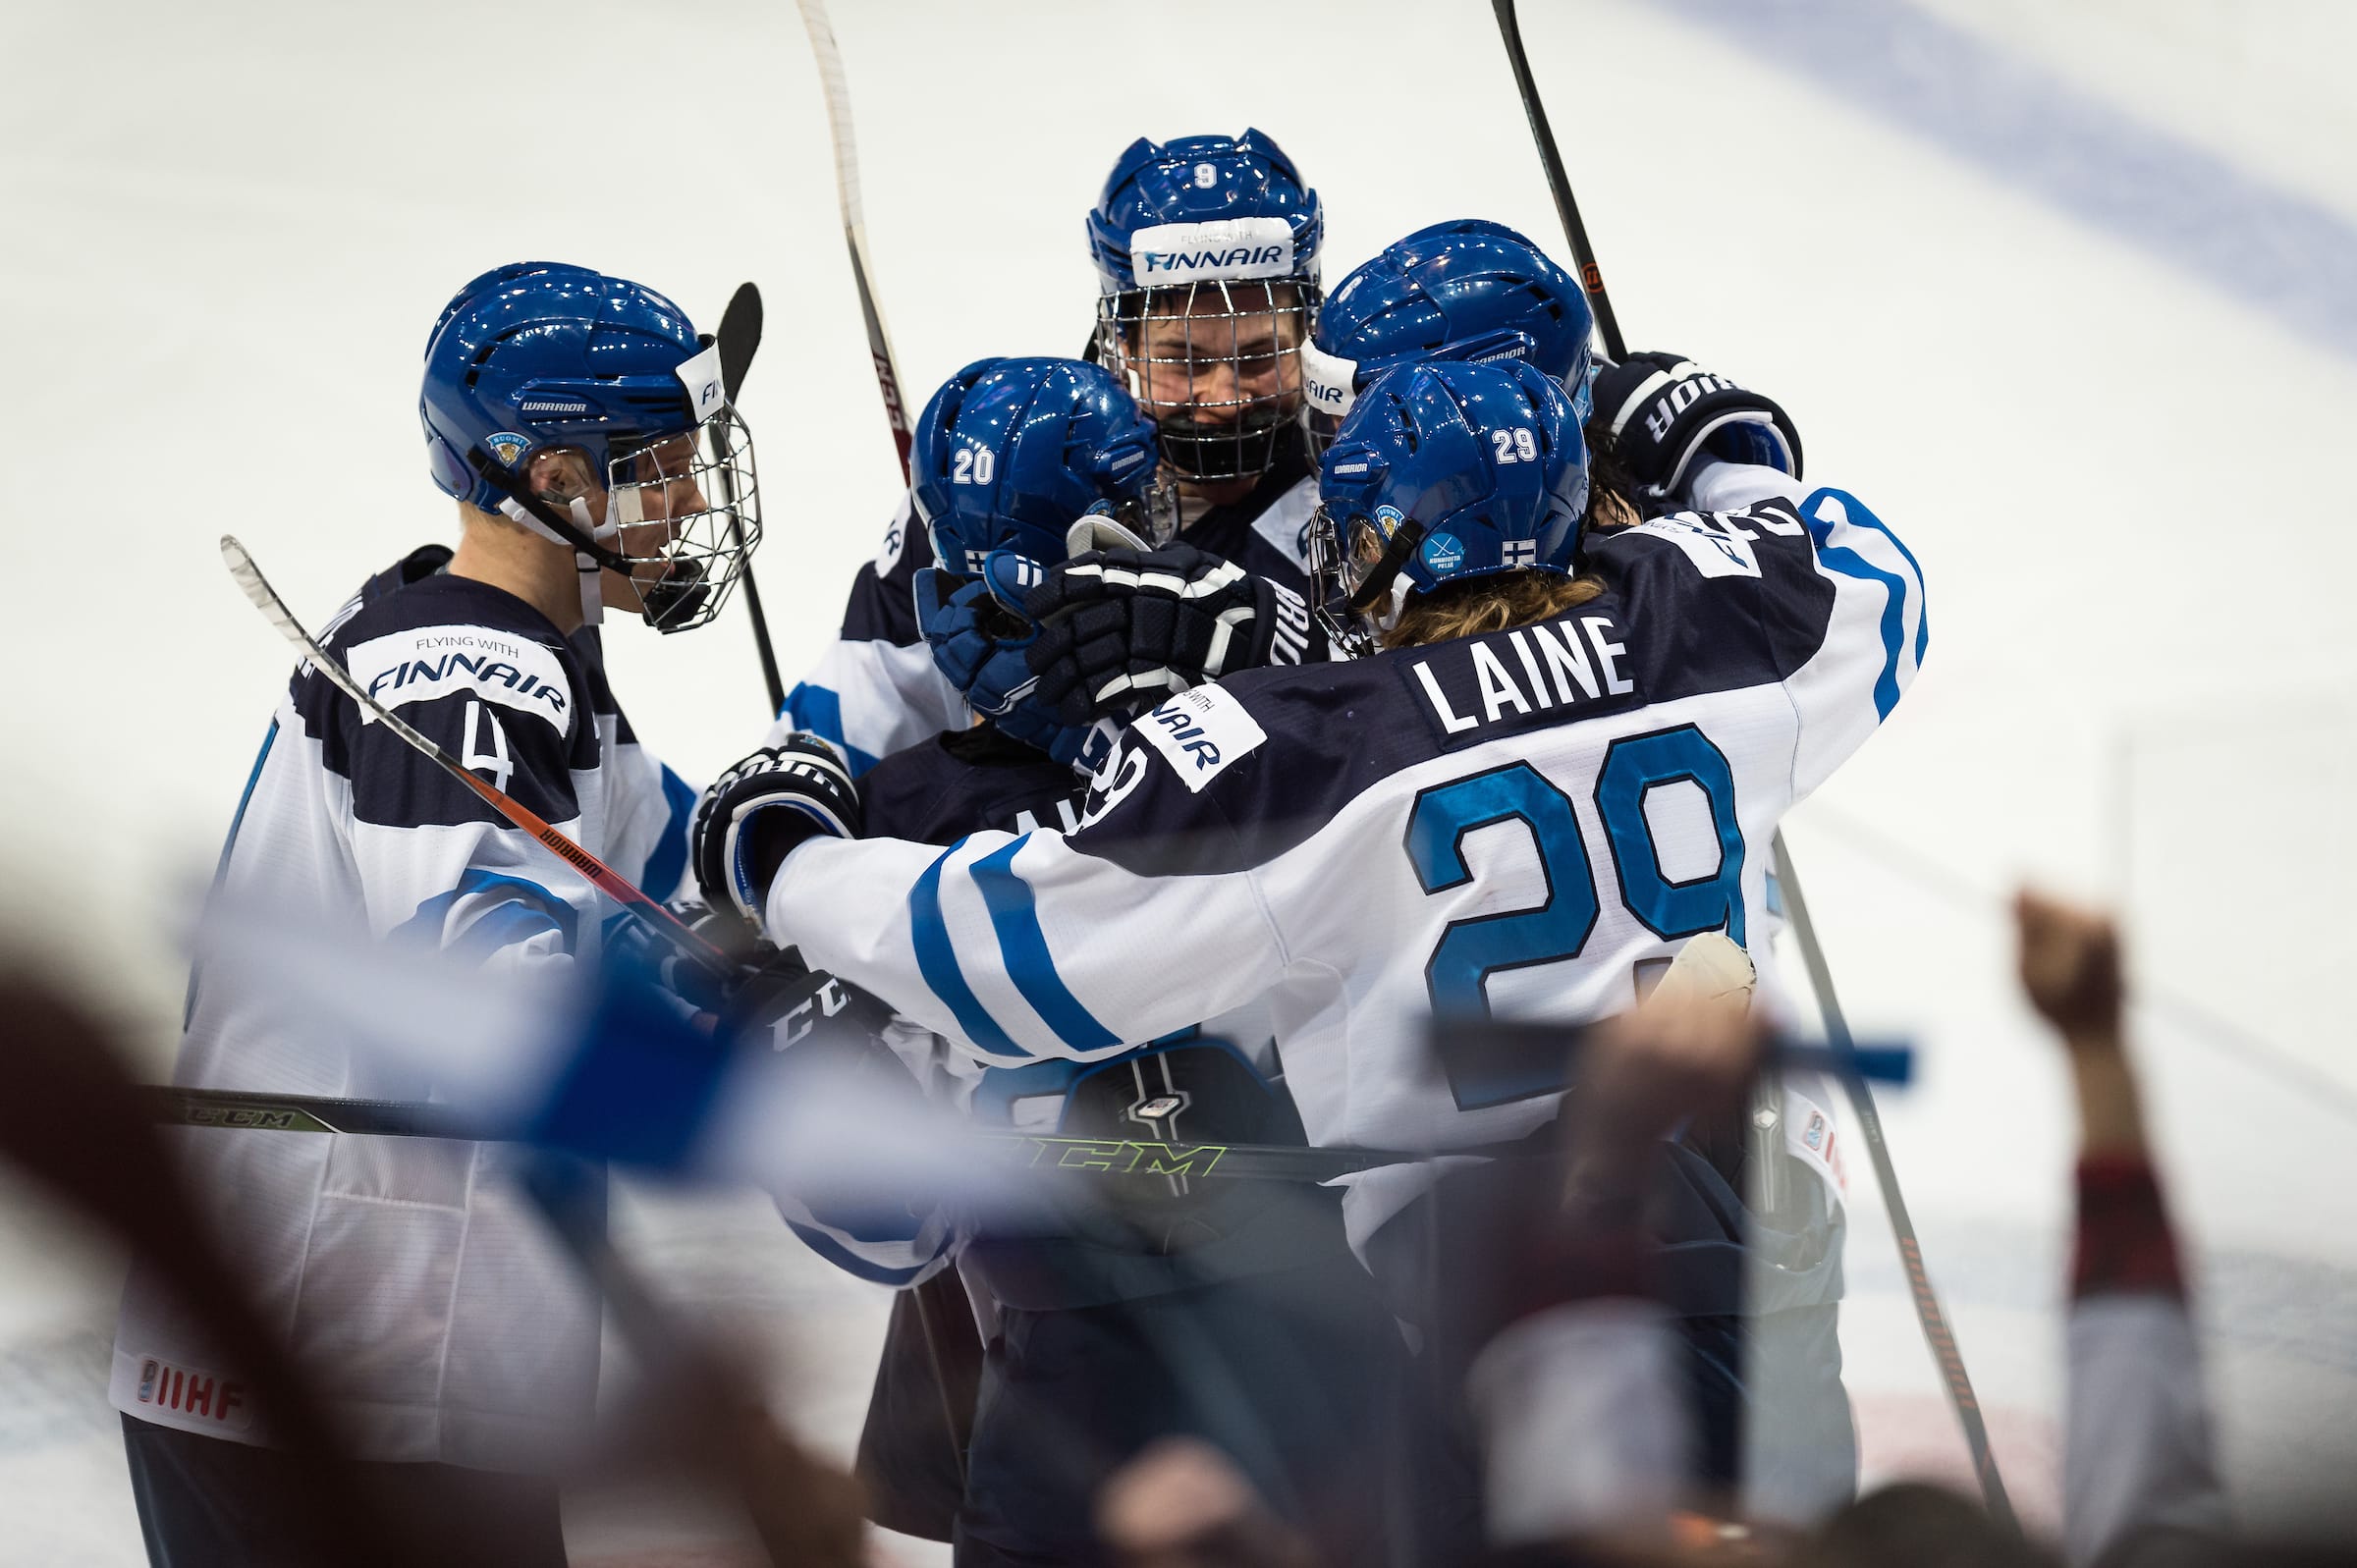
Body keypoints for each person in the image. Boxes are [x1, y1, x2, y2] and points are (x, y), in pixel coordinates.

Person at [110, 260, 758, 1566]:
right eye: (660, 466)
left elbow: (711, 875)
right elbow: (482, 977)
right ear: (552, 481)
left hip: (378, 1368)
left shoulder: (528, 663)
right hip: (337, 1373)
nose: (692, 500)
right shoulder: (463, 668)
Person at [745, 355, 1406, 1568]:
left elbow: (889, 1222)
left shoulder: (900, 825)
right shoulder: (1265, 738)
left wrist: (788, 885)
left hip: (1160, 1334)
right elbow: (887, 1224)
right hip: (1174, 1332)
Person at [771, 129, 1332, 777]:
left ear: (1305, 332)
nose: (1225, 398)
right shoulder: (1010, 477)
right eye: (1183, 360)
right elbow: (852, 719)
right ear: (1122, 341)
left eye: (1259, 354)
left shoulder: (1362, 487)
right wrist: (793, 794)